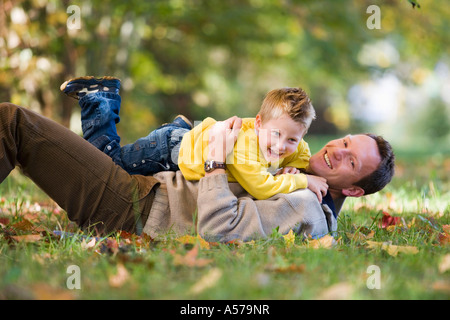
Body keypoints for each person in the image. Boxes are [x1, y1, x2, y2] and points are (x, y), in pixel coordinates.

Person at [0, 102, 394, 242]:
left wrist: (216, 162)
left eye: (351, 162)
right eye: (343, 143)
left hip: (132, 206)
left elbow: (218, 228)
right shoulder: (295, 167)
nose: (335, 152)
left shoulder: (306, 206)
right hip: (144, 189)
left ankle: (101, 101)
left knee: (13, 123)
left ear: (355, 191)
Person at [60, 76, 329, 202]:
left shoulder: (290, 146)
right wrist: (303, 180)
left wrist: (297, 167)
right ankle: (100, 97)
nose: (281, 146)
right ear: (258, 123)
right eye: (276, 134)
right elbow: (261, 187)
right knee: (110, 165)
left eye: (292, 140)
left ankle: (182, 127)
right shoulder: (244, 146)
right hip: (168, 152)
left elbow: (301, 154)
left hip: (186, 142)